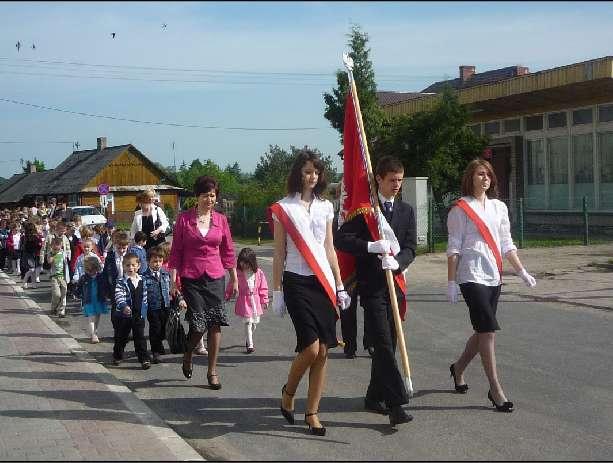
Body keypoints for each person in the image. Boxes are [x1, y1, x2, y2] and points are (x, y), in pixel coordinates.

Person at [446, 159, 536, 413]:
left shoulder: (499, 208)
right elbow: (454, 248)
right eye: (480, 174)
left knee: (482, 330)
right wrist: (451, 281)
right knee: (488, 331)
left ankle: (458, 368)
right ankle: (495, 389)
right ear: (470, 178)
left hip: (493, 275)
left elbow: (506, 243)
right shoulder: (460, 210)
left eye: (488, 174)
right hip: (470, 275)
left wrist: (521, 271)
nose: (485, 178)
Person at [271, 149, 350, 436]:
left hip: (323, 282)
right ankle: (289, 391)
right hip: (296, 280)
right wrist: (276, 290)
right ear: (298, 174)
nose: (312, 176)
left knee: (324, 351)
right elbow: (279, 252)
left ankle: (312, 412)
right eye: (307, 171)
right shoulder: (284, 208)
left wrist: (339, 285)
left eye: (316, 172)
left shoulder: (326, 207)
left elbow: (329, 248)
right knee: (311, 347)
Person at [334, 155, 416, 426]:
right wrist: (369, 247)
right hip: (372, 289)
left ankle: (373, 395)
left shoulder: (406, 211)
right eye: (392, 180)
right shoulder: (365, 211)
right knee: (381, 343)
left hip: (396, 286)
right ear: (378, 179)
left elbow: (410, 248)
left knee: (388, 345)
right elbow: (341, 239)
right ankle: (395, 405)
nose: (396, 185)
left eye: (400, 180)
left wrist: (399, 261)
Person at [168, 175, 237, 389]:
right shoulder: (184, 219)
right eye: (206, 195)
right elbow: (176, 251)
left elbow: (228, 250)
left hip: (215, 276)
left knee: (215, 323)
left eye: (213, 195)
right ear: (197, 197)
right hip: (191, 277)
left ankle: (212, 371)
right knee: (199, 323)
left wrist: (233, 278)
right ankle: (188, 352)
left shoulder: (221, 220)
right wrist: (173, 281)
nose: (210, 199)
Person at [143, 245, 187, 363]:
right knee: (155, 329)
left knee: (165, 328)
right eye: (154, 261)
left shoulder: (166, 274)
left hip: (167, 305)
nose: (157, 264)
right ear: (148, 261)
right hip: (153, 308)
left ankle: (160, 344)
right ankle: (155, 351)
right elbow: (141, 294)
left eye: (160, 261)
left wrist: (180, 299)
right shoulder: (144, 277)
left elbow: (174, 289)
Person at [226, 247, 269, 354]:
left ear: (252, 262)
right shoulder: (237, 273)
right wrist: (227, 294)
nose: (243, 265)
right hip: (244, 301)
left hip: (255, 301)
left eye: (246, 263)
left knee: (254, 323)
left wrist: (265, 300)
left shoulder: (258, 273)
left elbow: (263, 287)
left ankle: (248, 338)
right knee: (248, 322)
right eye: (241, 262)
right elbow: (231, 284)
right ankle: (250, 344)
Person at [113, 252, 151, 369]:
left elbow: (145, 296)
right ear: (123, 266)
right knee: (122, 337)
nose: (131, 268)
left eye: (133, 265)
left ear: (138, 266)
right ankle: (118, 355)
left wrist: (145, 308)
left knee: (140, 337)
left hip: (138, 314)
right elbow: (119, 295)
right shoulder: (121, 281)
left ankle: (144, 359)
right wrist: (124, 306)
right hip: (125, 315)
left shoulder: (142, 280)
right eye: (128, 265)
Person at [76, 256, 109, 343]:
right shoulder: (84, 278)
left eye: (92, 270)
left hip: (99, 299)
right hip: (88, 300)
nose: (91, 272)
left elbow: (106, 286)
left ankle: (95, 331)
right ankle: (93, 335)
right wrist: (77, 294)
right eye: (88, 270)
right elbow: (79, 287)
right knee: (91, 317)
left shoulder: (101, 277)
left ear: (96, 268)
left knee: (97, 316)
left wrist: (107, 294)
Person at [48, 237, 68, 318]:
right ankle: (53, 307)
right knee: (57, 294)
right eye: (54, 246)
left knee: (64, 293)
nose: (56, 247)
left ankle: (62, 310)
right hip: (54, 277)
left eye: (58, 245)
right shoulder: (51, 253)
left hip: (62, 276)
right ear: (52, 246)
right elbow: (49, 261)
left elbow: (66, 264)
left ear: (61, 245)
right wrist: (53, 254)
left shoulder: (63, 253)